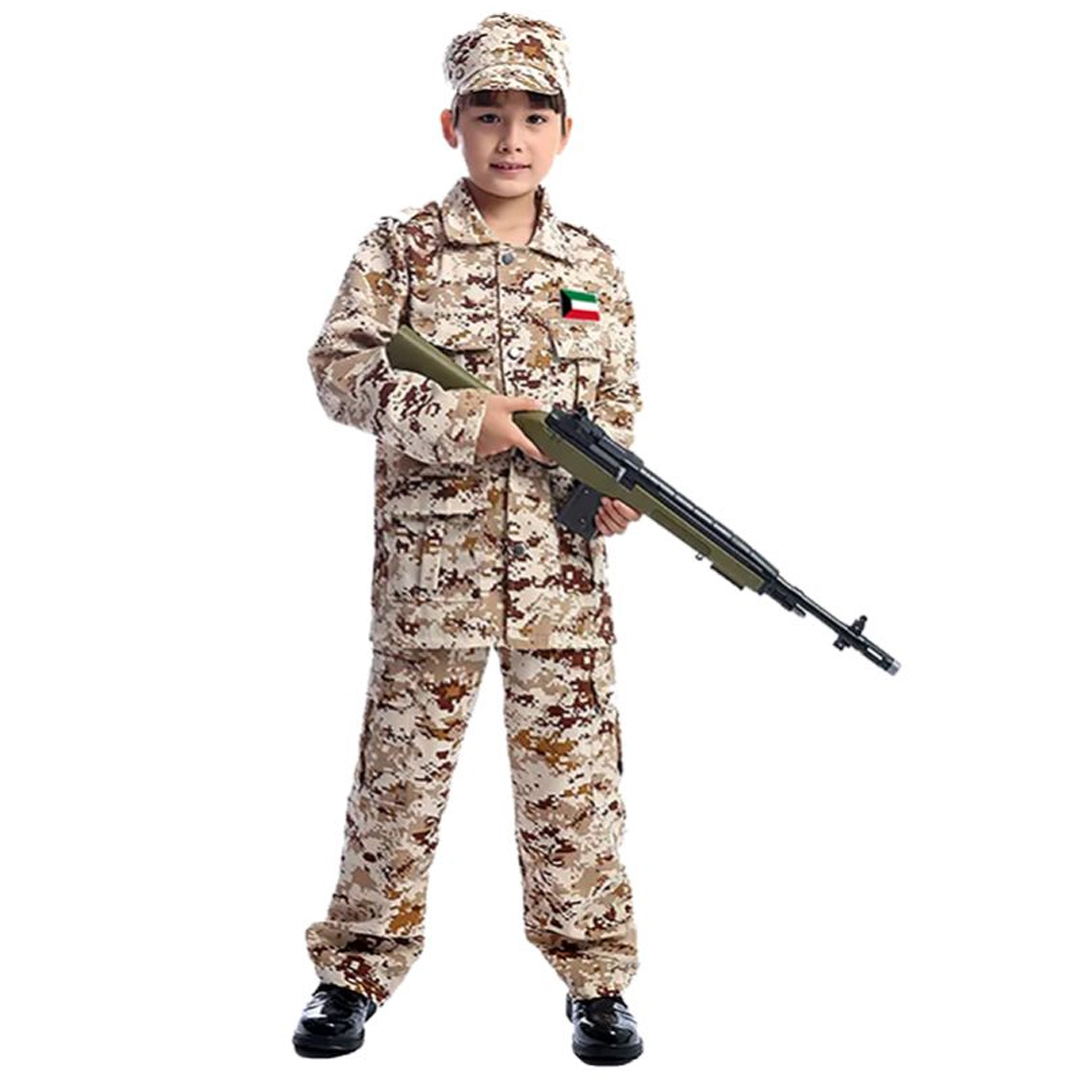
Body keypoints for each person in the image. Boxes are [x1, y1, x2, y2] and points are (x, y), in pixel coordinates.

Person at [292, 13, 646, 1066]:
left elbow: (617, 406)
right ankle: (353, 970)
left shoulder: (594, 266)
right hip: (431, 575)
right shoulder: (400, 248)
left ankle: (597, 981)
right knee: (397, 785)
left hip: (559, 583)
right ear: (452, 125)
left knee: (575, 793)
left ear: (566, 132)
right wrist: (465, 419)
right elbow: (340, 370)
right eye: (488, 115)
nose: (511, 139)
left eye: (534, 117)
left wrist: (611, 491)